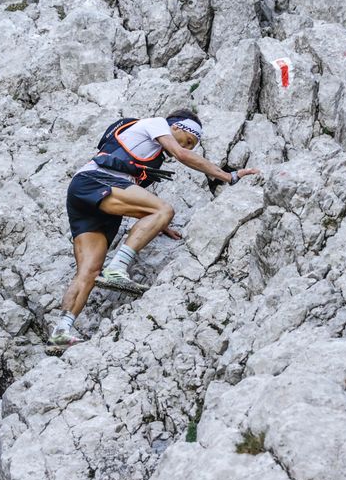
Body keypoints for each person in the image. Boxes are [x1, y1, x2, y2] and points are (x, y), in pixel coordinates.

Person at [47, 109, 262, 351]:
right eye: (190, 140)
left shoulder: (149, 152)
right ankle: (117, 269)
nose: (189, 147)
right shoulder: (155, 124)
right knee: (165, 209)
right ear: (177, 127)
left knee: (88, 271)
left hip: (86, 192)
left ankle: (60, 331)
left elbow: (133, 198)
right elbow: (181, 154)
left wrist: (159, 224)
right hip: (97, 181)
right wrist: (229, 177)